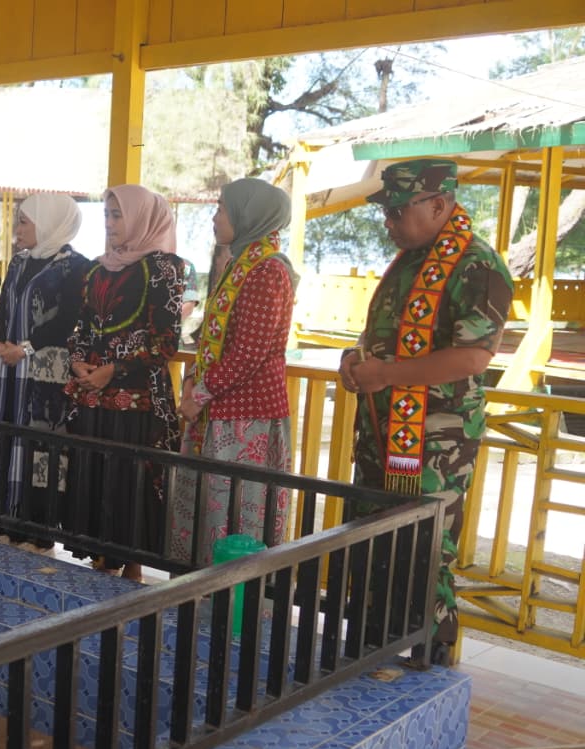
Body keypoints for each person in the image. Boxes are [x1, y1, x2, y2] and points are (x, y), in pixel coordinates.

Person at [339, 158, 512, 663]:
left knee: (423, 552)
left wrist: (387, 375)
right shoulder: (411, 262)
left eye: (397, 211)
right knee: (372, 543)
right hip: (383, 434)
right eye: (385, 212)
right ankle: (370, 652)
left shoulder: (477, 265)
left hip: (435, 445)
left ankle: (425, 667)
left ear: (438, 204)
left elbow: (473, 357)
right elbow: (381, 336)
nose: (388, 222)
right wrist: (353, 360)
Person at [171, 178, 299, 567]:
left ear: (248, 215)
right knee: (211, 515)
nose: (215, 217)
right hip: (219, 409)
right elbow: (213, 341)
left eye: (222, 209)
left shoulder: (267, 270)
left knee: (237, 519)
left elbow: (248, 354)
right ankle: (200, 592)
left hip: (246, 420)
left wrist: (198, 395)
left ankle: (232, 597)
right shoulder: (241, 263)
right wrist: (193, 384)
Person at [64, 185, 187, 580]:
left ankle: (132, 573)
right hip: (93, 397)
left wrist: (113, 370)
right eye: (106, 214)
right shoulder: (97, 269)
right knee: (97, 478)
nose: (109, 223)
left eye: (118, 215)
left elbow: (165, 342)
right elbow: (83, 327)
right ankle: (102, 564)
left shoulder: (163, 268)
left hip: (137, 402)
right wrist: (78, 361)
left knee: (130, 484)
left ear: (140, 219)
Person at [0, 192, 89, 550]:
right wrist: (0, 342)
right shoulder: (19, 262)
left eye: (25, 222)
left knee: (39, 446)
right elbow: (3, 307)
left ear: (47, 223)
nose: (18, 229)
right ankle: (7, 521)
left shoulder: (75, 267)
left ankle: (39, 531)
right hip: (9, 370)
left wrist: (26, 348)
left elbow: (68, 320)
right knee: (6, 438)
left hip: (45, 371)